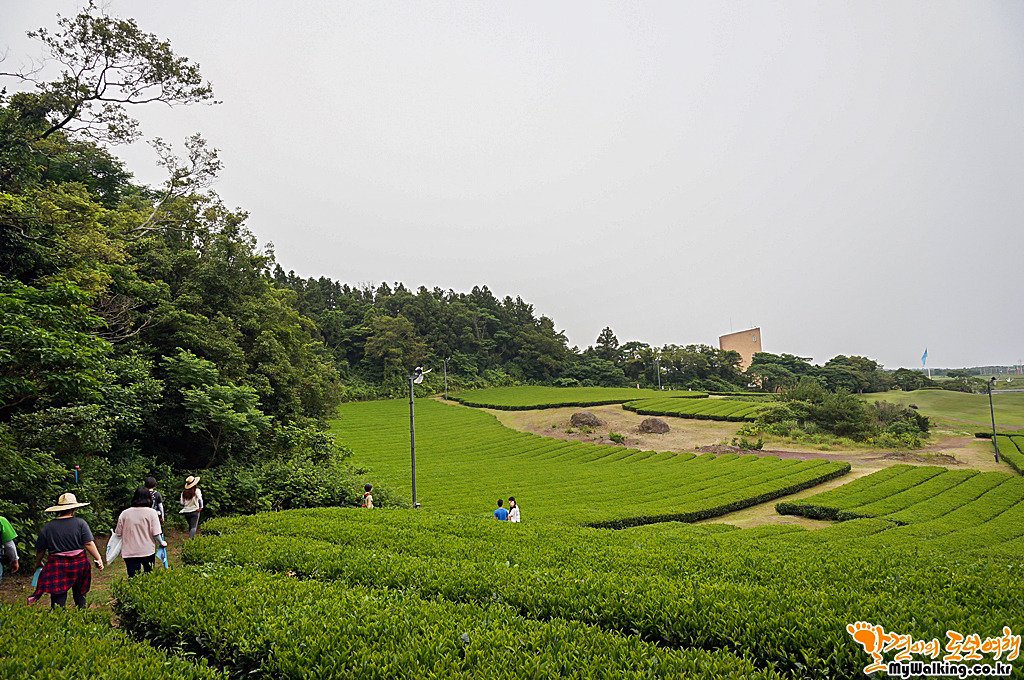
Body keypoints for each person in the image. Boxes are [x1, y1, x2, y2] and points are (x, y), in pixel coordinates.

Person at [27, 493, 103, 608]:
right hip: (79, 564)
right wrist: (98, 558)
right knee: (80, 593)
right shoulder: (80, 523)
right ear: (74, 508)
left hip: (57, 565)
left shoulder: (48, 526)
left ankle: (58, 618)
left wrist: (37, 563)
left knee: (58, 594)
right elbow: (88, 543)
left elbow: (40, 550)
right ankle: (82, 614)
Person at [115, 487, 166, 578]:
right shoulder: (151, 513)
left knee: (133, 577)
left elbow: (118, 533)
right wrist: (161, 543)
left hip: (129, 552)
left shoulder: (124, 513)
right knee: (149, 576)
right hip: (147, 550)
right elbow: (156, 533)